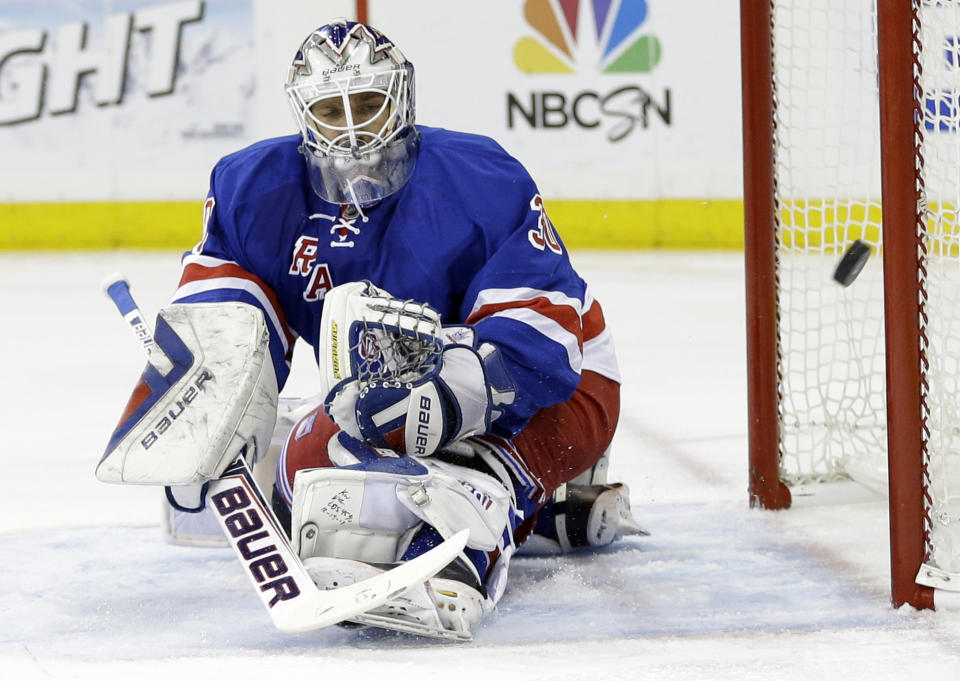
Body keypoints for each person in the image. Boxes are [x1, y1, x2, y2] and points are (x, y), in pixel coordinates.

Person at [100, 19, 642, 640]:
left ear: (400, 98)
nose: (353, 125)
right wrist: (203, 397)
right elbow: (228, 318)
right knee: (308, 462)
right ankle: (543, 514)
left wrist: (452, 393)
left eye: (367, 102)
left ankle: (474, 539)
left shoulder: (480, 175)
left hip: (560, 386)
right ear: (305, 114)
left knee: (464, 471)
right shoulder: (252, 190)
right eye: (332, 108)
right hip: (381, 400)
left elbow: (540, 336)